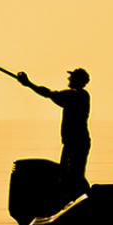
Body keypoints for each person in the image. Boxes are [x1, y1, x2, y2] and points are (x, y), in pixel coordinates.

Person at [17, 68, 91, 197]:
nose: (69, 79)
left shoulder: (76, 96)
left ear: (78, 80)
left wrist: (28, 84)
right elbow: (51, 94)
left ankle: (83, 197)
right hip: (72, 143)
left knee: (74, 174)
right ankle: (76, 197)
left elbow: (48, 93)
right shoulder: (77, 96)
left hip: (76, 143)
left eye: (72, 77)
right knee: (68, 173)